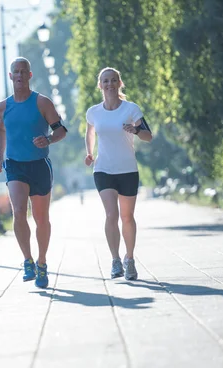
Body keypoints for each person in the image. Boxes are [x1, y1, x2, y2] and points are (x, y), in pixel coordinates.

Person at [0, 57, 67, 289]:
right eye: (16, 71)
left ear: (29, 75)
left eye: (24, 71)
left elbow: (61, 130)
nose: (20, 75)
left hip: (39, 165)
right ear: (10, 76)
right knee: (18, 212)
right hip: (15, 165)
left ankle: (42, 262)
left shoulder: (42, 103)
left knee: (41, 218)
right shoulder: (3, 107)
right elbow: (1, 130)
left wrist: (47, 139)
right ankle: (28, 261)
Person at [84, 67, 152, 280]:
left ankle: (129, 259)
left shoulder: (131, 109)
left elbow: (148, 136)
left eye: (114, 80)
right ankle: (115, 260)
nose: (110, 84)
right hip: (103, 169)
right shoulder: (93, 112)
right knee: (111, 215)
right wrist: (89, 153)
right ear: (100, 85)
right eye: (106, 81)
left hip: (128, 170)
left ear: (119, 83)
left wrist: (136, 130)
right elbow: (90, 133)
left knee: (127, 216)